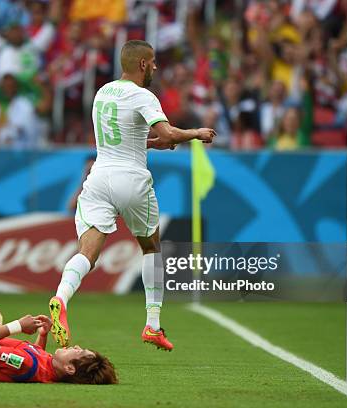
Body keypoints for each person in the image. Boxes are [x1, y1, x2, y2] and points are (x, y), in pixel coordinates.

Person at [49, 40, 215, 351]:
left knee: (87, 252)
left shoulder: (103, 92)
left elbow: (124, 138)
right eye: (152, 62)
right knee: (151, 246)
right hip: (132, 178)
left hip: (99, 177)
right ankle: (152, 324)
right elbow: (167, 133)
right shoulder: (143, 95)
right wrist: (195, 133)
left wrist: (151, 143)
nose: (155, 67)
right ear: (142, 64)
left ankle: (61, 297)